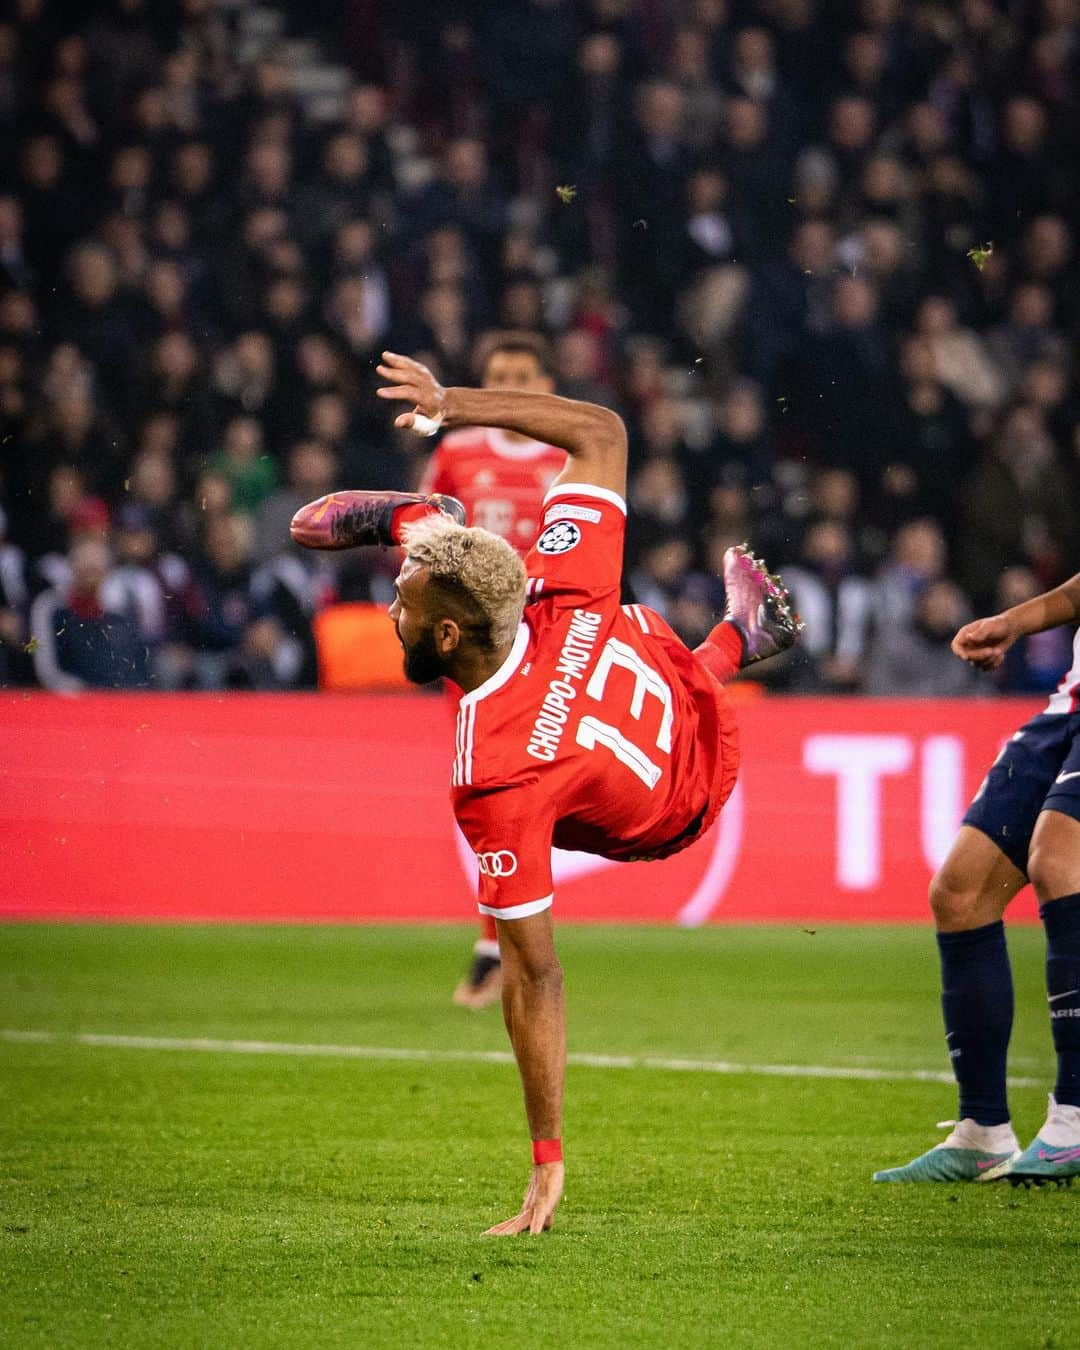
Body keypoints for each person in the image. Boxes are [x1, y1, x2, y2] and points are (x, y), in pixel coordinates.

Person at [292, 352, 801, 1233]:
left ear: (447, 637)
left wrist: (546, 1157)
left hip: (675, 798)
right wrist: (451, 413)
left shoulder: (492, 776)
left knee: (609, 662)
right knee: (620, 617)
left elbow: (536, 974)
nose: (390, 615)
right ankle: (726, 645)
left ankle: (726, 648)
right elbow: (604, 431)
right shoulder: (545, 590)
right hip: (643, 678)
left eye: (402, 606)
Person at [874, 570, 1080, 1186]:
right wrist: (1013, 623)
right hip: (1069, 706)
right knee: (960, 892)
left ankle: (1074, 1114)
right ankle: (983, 1132)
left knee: (1059, 859)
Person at [420, 332, 568, 1009]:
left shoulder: (568, 459)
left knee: (528, 787)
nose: (509, 386)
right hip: (471, 649)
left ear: (543, 387)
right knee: (481, 784)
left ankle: (503, 938)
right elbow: (421, 534)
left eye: (521, 376)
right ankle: (496, 937)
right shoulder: (456, 452)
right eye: (497, 374)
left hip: (539, 643)